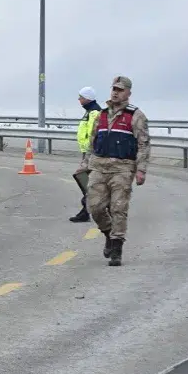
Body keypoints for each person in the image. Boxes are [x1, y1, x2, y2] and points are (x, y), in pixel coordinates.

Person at [85, 76, 150, 266]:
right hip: (99, 165)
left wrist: (141, 170)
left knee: (118, 208)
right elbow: (93, 140)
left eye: (120, 90)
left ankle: (116, 248)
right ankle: (108, 233)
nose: (115, 92)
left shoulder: (136, 115)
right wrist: (85, 162)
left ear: (128, 93)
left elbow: (143, 144)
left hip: (122, 168)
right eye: (114, 88)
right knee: (95, 207)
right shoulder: (102, 114)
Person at [69, 87, 102, 222]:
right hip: (87, 152)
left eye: (81, 97)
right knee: (85, 179)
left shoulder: (94, 113)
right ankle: (88, 208)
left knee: (81, 176)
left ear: (87, 98)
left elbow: (94, 133)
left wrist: (91, 151)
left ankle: (90, 207)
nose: (79, 99)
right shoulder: (89, 111)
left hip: (91, 152)